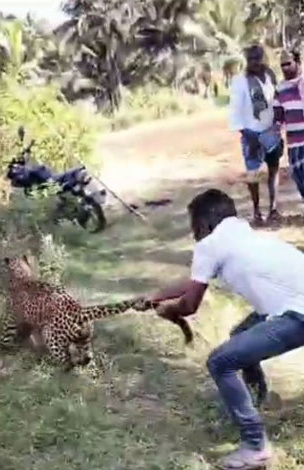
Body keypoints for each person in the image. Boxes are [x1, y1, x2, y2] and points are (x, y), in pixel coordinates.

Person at [146, 188, 304, 470]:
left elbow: (189, 304)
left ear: (205, 223)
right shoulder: (242, 235)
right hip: (293, 308)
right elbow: (195, 281)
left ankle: (255, 447)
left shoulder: (210, 244)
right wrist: (157, 295)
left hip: (297, 316)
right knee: (239, 338)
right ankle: (257, 398)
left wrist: (168, 309)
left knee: (221, 361)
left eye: (194, 226)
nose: (194, 234)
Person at [228, 45, 284, 225]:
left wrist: (276, 126)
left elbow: (277, 100)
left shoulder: (270, 77)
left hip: (270, 131)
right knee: (253, 174)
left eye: (257, 59)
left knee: (273, 169)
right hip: (251, 133)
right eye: (250, 59)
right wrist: (248, 135)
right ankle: (257, 211)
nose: (254, 63)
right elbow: (235, 111)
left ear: (263, 58)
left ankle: (273, 209)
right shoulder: (240, 81)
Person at [273, 49, 304, 208]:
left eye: (288, 63)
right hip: (294, 143)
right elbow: (277, 116)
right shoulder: (280, 89)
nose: (285, 68)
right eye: (282, 65)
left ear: (298, 62)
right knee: (299, 177)